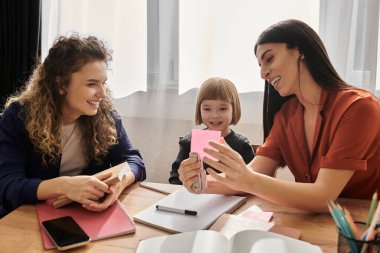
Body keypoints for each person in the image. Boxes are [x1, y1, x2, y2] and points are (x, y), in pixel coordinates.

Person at [178, 19, 380, 212]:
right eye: (260, 65)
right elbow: (256, 171)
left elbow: (323, 197)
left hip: (360, 233)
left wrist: (247, 178)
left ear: (299, 51)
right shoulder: (286, 116)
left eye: (269, 58)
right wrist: (199, 183)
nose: (263, 74)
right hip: (311, 221)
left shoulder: (359, 108)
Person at [0, 34, 146, 217]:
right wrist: (64, 186)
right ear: (61, 84)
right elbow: (8, 186)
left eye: (103, 83)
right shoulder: (18, 116)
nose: (102, 93)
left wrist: (121, 182)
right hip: (27, 217)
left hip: (84, 214)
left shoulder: (104, 114)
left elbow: (134, 162)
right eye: (92, 84)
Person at [169, 77, 254, 185]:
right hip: (194, 198)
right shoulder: (190, 141)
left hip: (230, 199)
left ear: (234, 109)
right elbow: (175, 177)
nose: (214, 115)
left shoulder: (242, 145)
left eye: (222, 109)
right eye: (207, 109)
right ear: (199, 110)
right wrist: (184, 179)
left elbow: (251, 181)